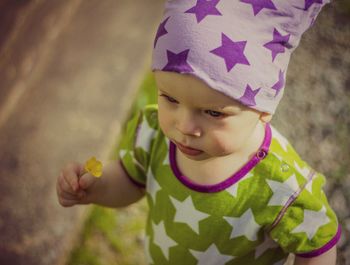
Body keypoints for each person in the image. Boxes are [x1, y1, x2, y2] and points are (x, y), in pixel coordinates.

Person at [56, 0, 341, 264]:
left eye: (214, 113)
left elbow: (319, 244)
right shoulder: (154, 132)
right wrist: (96, 187)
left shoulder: (281, 184)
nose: (184, 127)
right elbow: (132, 180)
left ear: (265, 108)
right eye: (170, 98)